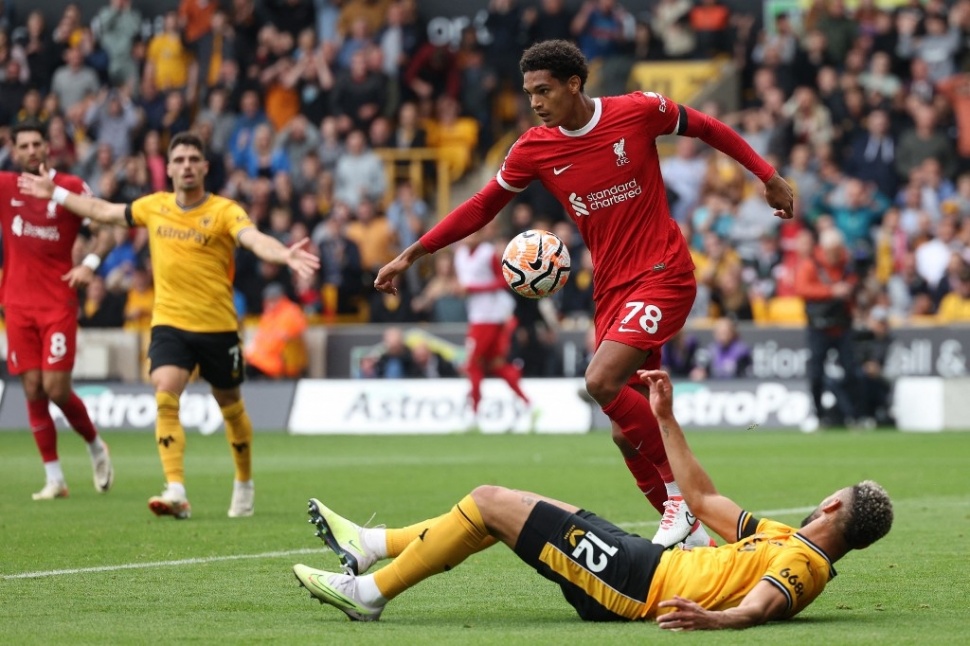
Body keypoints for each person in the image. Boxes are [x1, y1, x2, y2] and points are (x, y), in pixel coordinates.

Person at [375, 39, 794, 548]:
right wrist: (413, 253)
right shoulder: (533, 147)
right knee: (624, 431)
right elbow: (483, 205)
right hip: (613, 290)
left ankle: (682, 502)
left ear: (574, 84)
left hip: (664, 273)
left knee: (599, 380)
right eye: (529, 92)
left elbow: (706, 126)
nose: (534, 102)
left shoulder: (638, 112)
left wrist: (767, 176)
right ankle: (697, 545)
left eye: (544, 90)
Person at [293, 370, 893, 627]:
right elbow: (704, 498)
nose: (821, 498)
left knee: (489, 499)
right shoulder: (783, 538)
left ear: (834, 509)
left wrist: (714, 618)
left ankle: (367, 593)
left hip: (639, 584)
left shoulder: (804, 563)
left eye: (828, 496)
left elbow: (762, 607)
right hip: (639, 562)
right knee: (494, 512)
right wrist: (665, 419)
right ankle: (370, 548)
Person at [18, 131, 320, 520]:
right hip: (170, 324)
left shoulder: (225, 210)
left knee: (230, 406)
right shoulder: (155, 206)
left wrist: (283, 254)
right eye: (178, 160)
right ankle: (176, 488)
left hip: (218, 327)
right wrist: (56, 193)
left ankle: (244, 481)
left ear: (205, 167)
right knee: (164, 391)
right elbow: (104, 211)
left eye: (194, 159)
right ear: (170, 168)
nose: (186, 166)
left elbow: (253, 239)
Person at [0, 120, 114, 501]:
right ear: (15, 151)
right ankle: (55, 479)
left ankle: (96, 444)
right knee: (31, 389)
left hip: (57, 302)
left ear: (48, 147)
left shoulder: (70, 187)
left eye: (37, 144)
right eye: (24, 146)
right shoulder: (6, 187)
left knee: (55, 388)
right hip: (16, 305)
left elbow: (107, 230)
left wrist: (90, 264)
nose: (31, 151)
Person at [454, 226, 532, 430]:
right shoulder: (459, 254)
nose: (469, 236)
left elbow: (503, 281)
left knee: (472, 364)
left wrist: (473, 289)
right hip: (476, 314)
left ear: (480, 234)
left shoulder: (488, 253)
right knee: (495, 364)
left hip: (489, 316)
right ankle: (527, 403)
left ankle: (474, 413)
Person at [794, 228, 858, 427]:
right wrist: (831, 291)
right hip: (818, 327)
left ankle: (851, 414)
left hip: (842, 325)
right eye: (832, 251)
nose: (835, 255)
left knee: (851, 372)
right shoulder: (811, 264)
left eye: (837, 251)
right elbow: (802, 289)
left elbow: (854, 281)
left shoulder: (846, 264)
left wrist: (848, 288)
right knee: (816, 374)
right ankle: (819, 414)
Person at [244, 283, 309, 380]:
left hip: (277, 360)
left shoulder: (291, 312)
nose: (269, 303)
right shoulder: (268, 314)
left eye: (272, 300)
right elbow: (261, 336)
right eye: (268, 300)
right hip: (259, 357)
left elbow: (296, 333)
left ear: (280, 298)